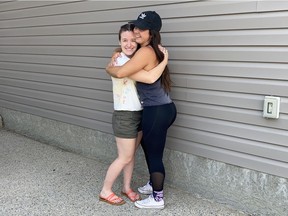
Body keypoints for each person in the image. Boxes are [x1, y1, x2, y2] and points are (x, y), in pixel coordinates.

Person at [106, 11, 177, 209]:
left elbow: (121, 71)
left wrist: (108, 68)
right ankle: (153, 184)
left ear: (151, 33)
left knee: (154, 155)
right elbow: (125, 55)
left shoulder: (146, 52)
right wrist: (116, 53)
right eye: (136, 26)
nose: (136, 31)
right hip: (162, 108)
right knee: (148, 147)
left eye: (141, 28)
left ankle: (157, 198)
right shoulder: (147, 50)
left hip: (156, 111)